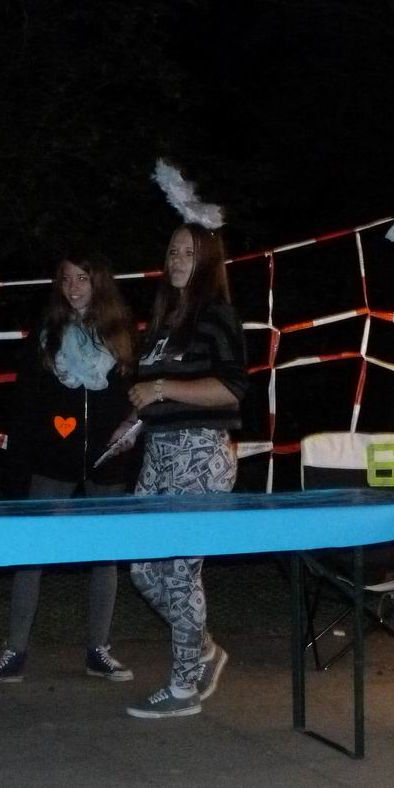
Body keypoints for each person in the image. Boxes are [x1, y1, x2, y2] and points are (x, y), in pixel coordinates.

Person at [0, 250, 137, 686]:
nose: (74, 287)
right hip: (52, 462)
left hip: (107, 463)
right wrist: (23, 462)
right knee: (32, 552)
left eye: (83, 278)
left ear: (99, 282)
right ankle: (14, 651)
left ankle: (99, 650)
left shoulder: (122, 335)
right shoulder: (45, 335)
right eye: (67, 279)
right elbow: (26, 404)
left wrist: (127, 437)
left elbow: (134, 397)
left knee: (105, 556)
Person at [119, 222, 248, 719]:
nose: (176, 260)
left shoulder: (216, 315)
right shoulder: (164, 320)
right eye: (172, 251)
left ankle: (183, 687)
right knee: (141, 566)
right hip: (158, 454)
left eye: (188, 253)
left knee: (179, 571)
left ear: (207, 261)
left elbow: (231, 388)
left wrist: (161, 389)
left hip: (200, 454)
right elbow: (160, 394)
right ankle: (204, 650)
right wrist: (135, 420)